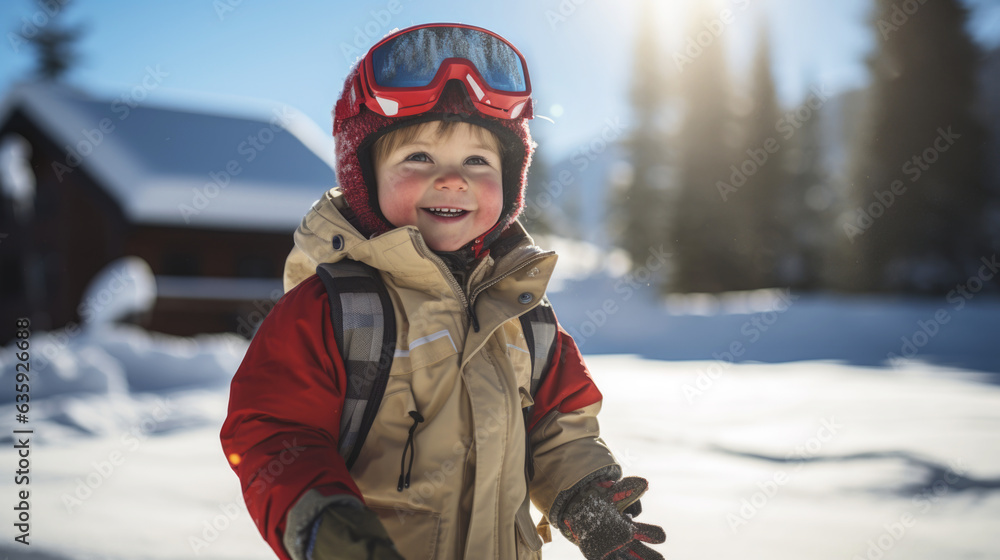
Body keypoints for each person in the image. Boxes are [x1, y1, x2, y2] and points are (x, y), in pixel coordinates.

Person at [220, 23, 665, 560]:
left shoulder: (523, 315)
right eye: (418, 158)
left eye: (478, 161)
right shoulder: (331, 310)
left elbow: (557, 426)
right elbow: (273, 430)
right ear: (366, 178)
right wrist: (324, 522)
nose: (453, 179)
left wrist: (583, 498)